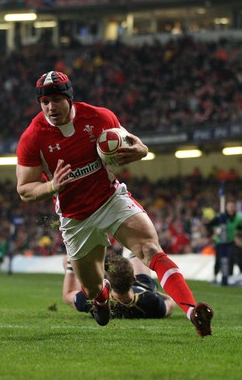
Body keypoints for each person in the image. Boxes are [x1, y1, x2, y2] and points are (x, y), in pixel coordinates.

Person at [16, 70, 213, 337]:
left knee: (149, 248)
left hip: (110, 199)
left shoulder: (100, 117)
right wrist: (52, 186)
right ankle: (101, 298)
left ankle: (192, 311)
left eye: (57, 100)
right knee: (93, 288)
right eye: (45, 102)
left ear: (69, 98)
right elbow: (24, 190)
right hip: (75, 217)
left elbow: (136, 145)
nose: (51, 107)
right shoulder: (33, 137)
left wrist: (141, 150)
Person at [62, 252, 176, 319]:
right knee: (137, 250)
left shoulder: (94, 300)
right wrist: (157, 294)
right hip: (144, 286)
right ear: (133, 278)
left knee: (69, 259)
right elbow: (170, 302)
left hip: (134, 288)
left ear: (107, 283)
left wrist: (70, 265)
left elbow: (68, 295)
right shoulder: (151, 301)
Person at [207, 200, 242, 282]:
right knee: (218, 259)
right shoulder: (220, 216)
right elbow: (209, 225)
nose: (231, 209)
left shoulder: (238, 218)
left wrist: (238, 236)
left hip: (230, 241)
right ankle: (215, 275)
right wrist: (214, 231)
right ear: (226, 208)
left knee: (234, 257)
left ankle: (230, 275)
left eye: (233, 207)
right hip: (220, 241)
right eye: (229, 207)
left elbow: (239, 228)